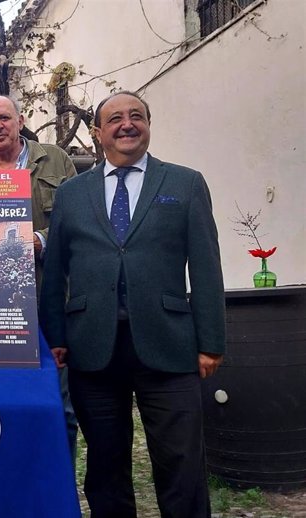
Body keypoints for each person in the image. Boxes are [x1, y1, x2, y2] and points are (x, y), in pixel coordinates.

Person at [40, 91, 225, 518]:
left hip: (170, 345)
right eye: (115, 118)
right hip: (93, 348)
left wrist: (211, 341)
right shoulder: (71, 194)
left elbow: (206, 266)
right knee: (105, 468)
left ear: (147, 125)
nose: (127, 124)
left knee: (182, 465)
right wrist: (57, 336)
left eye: (136, 116)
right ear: (97, 132)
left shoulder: (185, 183)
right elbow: (55, 274)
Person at [0, 94, 78, 456]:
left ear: (20, 121)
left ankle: (56, 497)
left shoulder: (56, 160)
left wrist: (38, 240)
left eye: (5, 117)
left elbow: (78, 221)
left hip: (51, 302)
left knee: (60, 408)